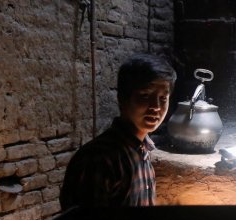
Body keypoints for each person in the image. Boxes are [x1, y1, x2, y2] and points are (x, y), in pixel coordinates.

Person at [60, 54, 176, 208]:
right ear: (122, 98)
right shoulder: (99, 159)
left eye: (163, 98)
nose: (156, 106)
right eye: (145, 95)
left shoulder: (142, 151)